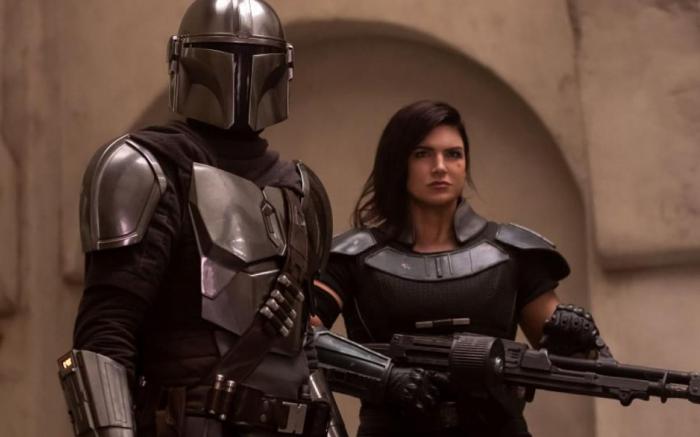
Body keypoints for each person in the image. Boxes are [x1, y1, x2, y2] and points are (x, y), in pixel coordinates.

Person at [312, 100, 612, 437]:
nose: (440, 167)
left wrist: (575, 337)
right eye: (423, 154)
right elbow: (300, 339)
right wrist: (384, 377)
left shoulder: (513, 253)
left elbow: (578, 364)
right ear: (398, 163)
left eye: (453, 154)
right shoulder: (353, 256)